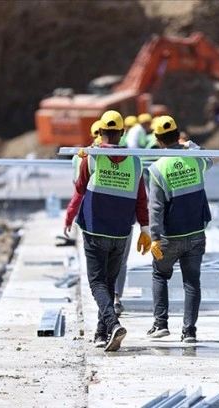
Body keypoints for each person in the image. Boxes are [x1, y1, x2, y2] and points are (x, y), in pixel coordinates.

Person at [64, 110, 152, 352]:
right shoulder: (135, 160)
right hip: (121, 232)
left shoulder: (92, 156)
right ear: (122, 133)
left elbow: (80, 187)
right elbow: (141, 199)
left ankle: (112, 324)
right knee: (109, 283)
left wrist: (84, 157)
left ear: (100, 132)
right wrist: (145, 227)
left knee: (96, 283)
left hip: (95, 229)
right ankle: (101, 333)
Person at [146, 116, 212, 343]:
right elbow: (209, 160)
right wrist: (191, 146)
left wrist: (154, 236)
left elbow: (155, 207)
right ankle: (189, 331)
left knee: (159, 274)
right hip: (195, 233)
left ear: (157, 140)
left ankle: (160, 324)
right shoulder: (195, 159)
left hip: (170, 236)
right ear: (178, 135)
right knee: (192, 282)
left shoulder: (156, 169)